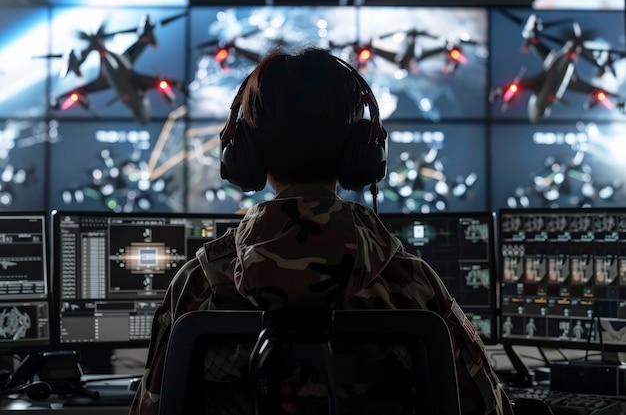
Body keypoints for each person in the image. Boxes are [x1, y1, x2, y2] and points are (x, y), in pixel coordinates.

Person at [128, 45, 513, 415]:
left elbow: (154, 407)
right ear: (361, 154)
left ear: (246, 154)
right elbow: (487, 408)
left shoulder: (199, 283)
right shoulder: (413, 283)